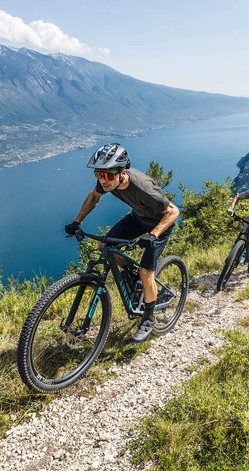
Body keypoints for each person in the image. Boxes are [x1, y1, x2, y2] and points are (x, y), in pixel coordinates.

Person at [64, 143, 180, 344]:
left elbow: (173, 212)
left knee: (146, 272)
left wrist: (152, 235)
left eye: (108, 176)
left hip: (160, 224)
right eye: (99, 174)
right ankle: (134, 275)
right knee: (105, 247)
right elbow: (94, 197)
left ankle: (149, 318)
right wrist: (77, 221)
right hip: (138, 218)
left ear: (122, 172)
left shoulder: (144, 189)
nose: (103, 180)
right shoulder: (107, 180)